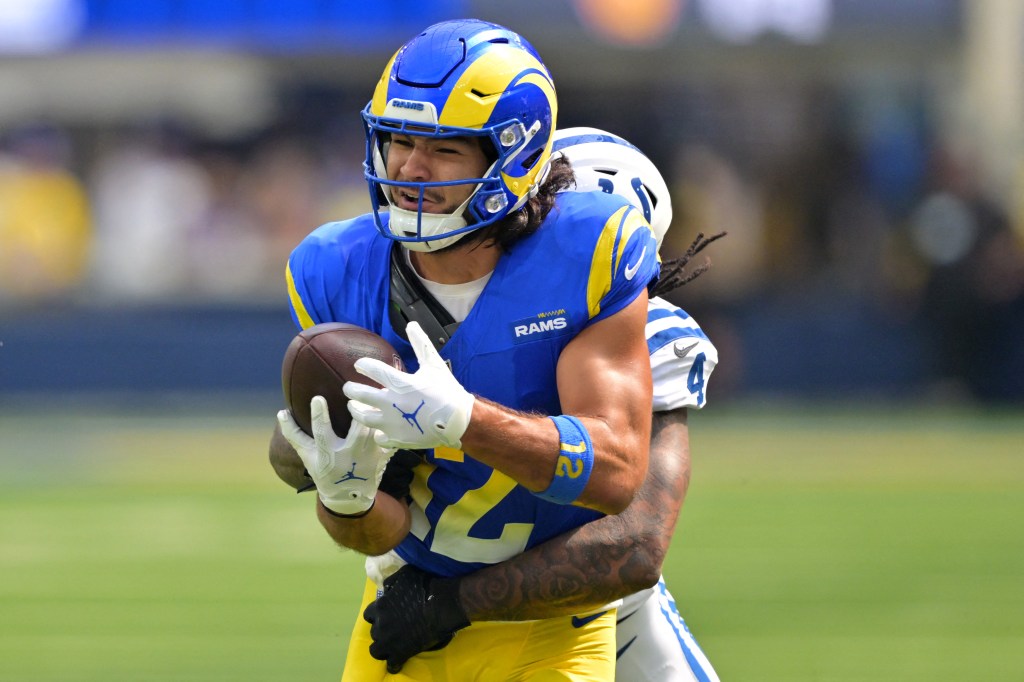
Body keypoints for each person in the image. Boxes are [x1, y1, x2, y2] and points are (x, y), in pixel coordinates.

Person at [271, 19, 660, 680]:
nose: (407, 168)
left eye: (444, 148)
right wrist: (346, 499)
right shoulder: (336, 269)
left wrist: (465, 422)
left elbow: (618, 472)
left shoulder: (587, 250)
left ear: (511, 155)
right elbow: (377, 531)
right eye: (397, 139)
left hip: (554, 626)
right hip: (405, 609)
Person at [358, 128, 724, 681]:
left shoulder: (647, 333)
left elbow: (634, 545)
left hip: (598, 623)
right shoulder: (425, 292)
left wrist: (451, 603)